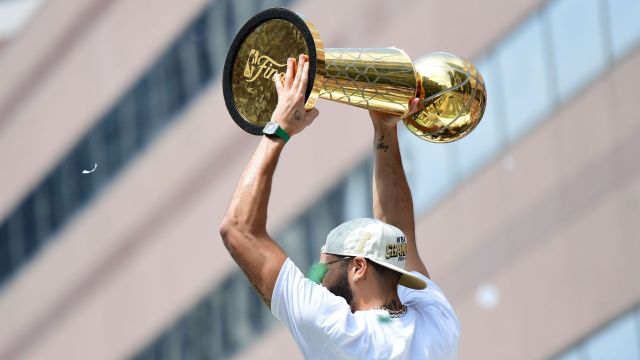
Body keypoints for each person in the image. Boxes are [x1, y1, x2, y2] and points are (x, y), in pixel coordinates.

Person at [219, 54, 460, 359]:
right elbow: (397, 233)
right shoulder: (436, 322)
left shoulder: (339, 331)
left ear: (359, 267)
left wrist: (279, 128)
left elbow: (237, 229)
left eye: (325, 265)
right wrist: (385, 131)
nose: (317, 276)